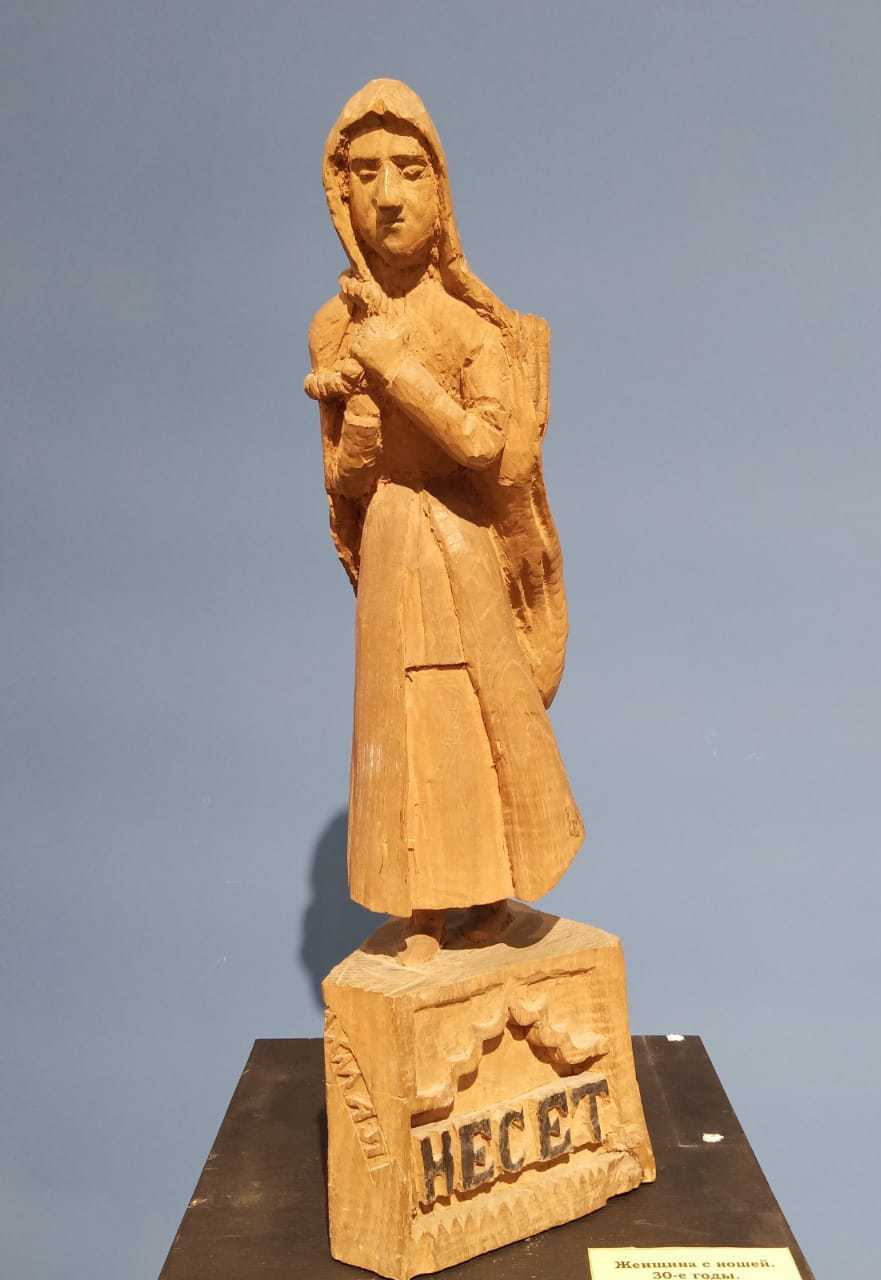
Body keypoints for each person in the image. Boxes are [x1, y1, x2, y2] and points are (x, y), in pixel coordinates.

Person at [305, 80, 582, 955]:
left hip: (462, 542)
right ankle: (422, 906)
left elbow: (482, 447)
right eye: (365, 173)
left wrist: (396, 373)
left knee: (475, 710)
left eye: (409, 170)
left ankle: (492, 896)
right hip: (392, 541)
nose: (388, 195)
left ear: (441, 189)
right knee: (403, 721)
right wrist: (358, 419)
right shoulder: (334, 327)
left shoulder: (470, 328)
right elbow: (346, 481)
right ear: (340, 194)